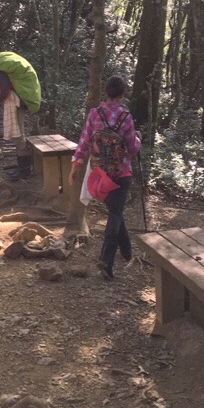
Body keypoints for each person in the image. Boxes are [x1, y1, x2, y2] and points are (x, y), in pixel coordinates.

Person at [69, 76, 142, 280]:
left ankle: (126, 251)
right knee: (115, 214)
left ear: (106, 92)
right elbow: (132, 148)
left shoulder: (94, 114)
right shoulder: (126, 117)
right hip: (121, 173)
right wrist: (139, 138)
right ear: (122, 94)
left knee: (115, 211)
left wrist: (75, 166)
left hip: (100, 173)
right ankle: (106, 260)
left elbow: (84, 141)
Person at [0, 51, 42, 180]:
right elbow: (7, 90)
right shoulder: (1, 72)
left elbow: (5, 93)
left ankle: (25, 170)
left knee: (18, 135)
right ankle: (21, 167)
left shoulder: (1, 72)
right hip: (15, 103)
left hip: (16, 104)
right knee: (16, 135)